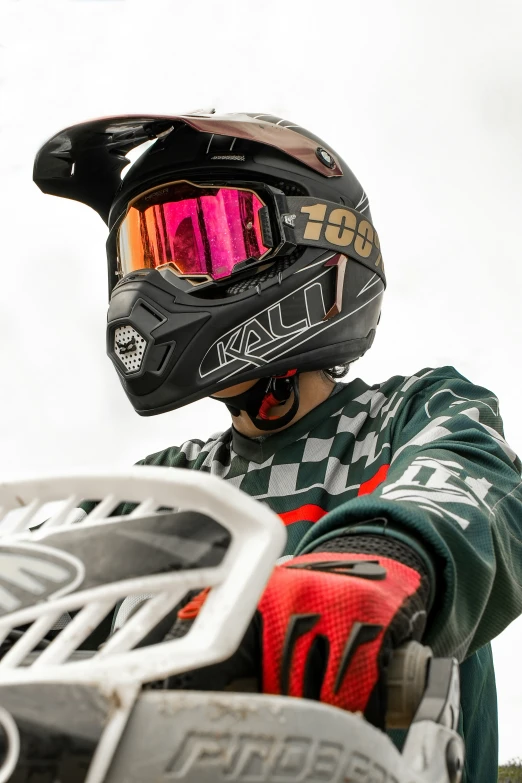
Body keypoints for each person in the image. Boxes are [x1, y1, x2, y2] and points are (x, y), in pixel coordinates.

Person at [34, 111, 522, 782]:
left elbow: (475, 487)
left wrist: (379, 560)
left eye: (200, 242)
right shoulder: (165, 488)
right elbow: (51, 578)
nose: (152, 287)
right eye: (143, 256)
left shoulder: (413, 413)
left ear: (312, 243)